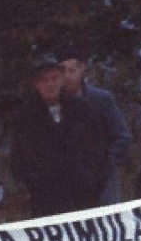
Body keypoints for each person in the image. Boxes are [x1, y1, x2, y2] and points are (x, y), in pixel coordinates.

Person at [10, 53, 109, 218]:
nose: (50, 84)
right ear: (36, 84)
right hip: (46, 199)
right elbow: (19, 158)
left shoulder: (83, 109)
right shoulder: (24, 116)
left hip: (83, 195)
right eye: (44, 80)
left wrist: (92, 180)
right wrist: (34, 184)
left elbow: (98, 149)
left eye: (54, 78)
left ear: (62, 79)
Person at [58, 47, 132, 205]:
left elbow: (122, 137)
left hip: (102, 183)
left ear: (82, 69)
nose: (67, 76)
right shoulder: (55, 104)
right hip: (70, 186)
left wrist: (105, 162)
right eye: (63, 71)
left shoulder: (101, 99)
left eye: (72, 70)